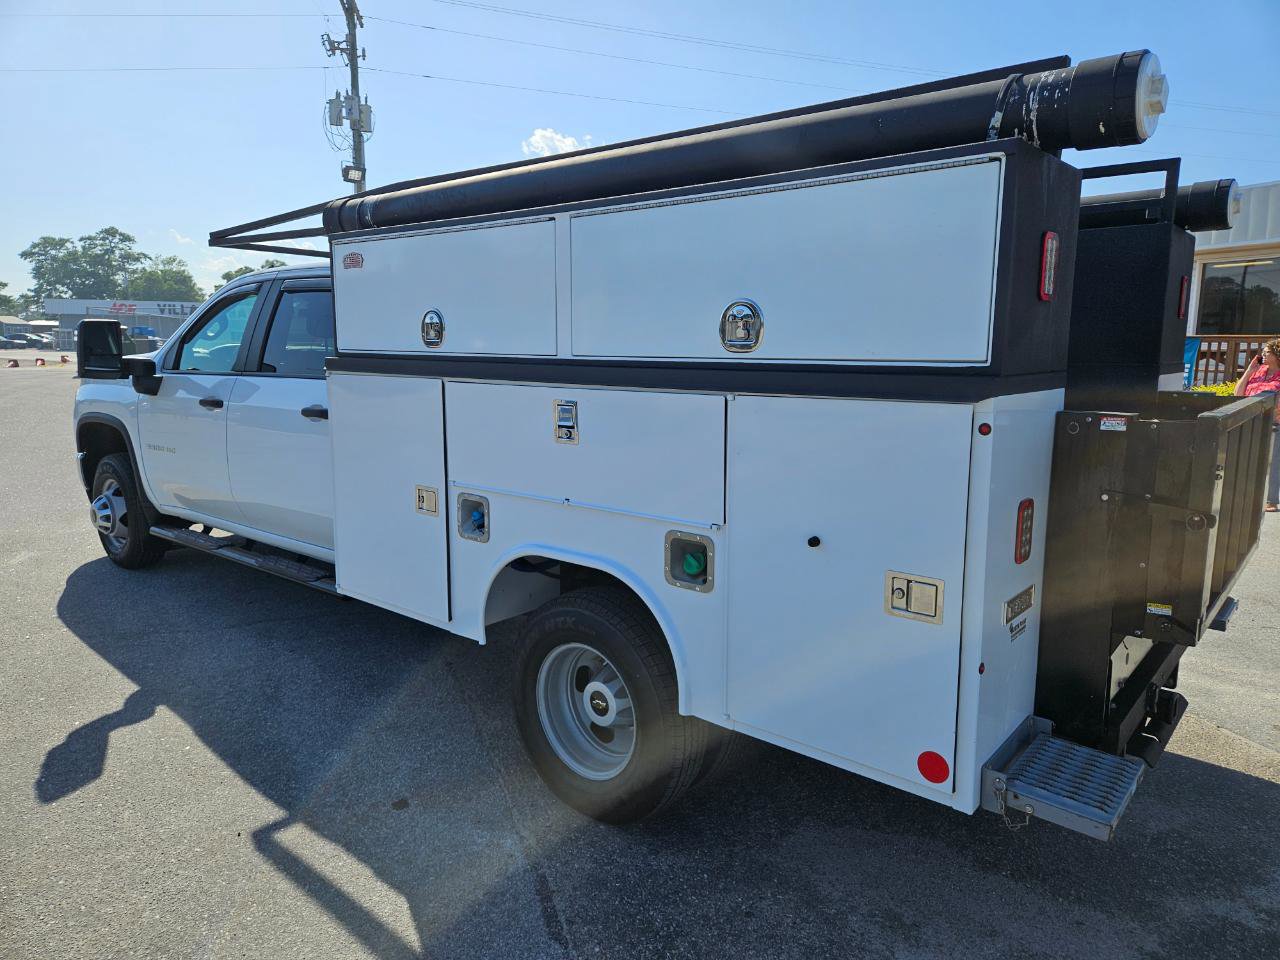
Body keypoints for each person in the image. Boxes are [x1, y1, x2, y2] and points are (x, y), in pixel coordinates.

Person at [1234, 338, 1280, 512]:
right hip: (1250, 420)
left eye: (1267, 351)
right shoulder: (1257, 371)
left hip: (1272, 423)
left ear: (1277, 355)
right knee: (1246, 459)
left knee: (1271, 462)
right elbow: (1237, 394)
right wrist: (1248, 371)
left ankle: (1271, 499)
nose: (1263, 354)